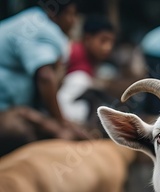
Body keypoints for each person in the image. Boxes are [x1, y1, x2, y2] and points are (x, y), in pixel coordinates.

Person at [0, 1, 85, 156]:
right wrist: (61, 123)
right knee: (27, 131)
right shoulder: (44, 29)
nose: (73, 20)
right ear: (54, 13)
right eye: (70, 14)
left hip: (12, 106)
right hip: (6, 113)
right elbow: (45, 77)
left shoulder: (31, 19)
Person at [58, 15, 116, 124]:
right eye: (103, 41)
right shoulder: (71, 51)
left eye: (111, 42)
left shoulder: (93, 60)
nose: (108, 47)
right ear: (88, 39)